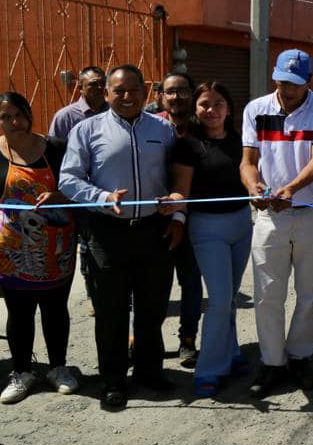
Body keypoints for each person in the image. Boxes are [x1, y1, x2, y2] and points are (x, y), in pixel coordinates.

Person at [59, 64, 185, 410]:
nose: (127, 97)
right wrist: (103, 198)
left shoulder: (163, 129)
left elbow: (178, 179)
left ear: (145, 92)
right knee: (111, 312)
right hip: (106, 233)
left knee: (152, 308)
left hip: (152, 231)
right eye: (119, 91)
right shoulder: (87, 130)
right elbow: (69, 180)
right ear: (107, 93)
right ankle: (113, 380)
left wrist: (176, 215)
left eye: (133, 90)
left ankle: (149, 371)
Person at [241, 49, 313, 398]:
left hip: (311, 210)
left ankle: (300, 357)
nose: (287, 89)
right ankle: (271, 362)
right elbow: (248, 162)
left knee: (309, 292)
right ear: (274, 76)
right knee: (268, 293)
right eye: (282, 81)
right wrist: (253, 186)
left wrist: (292, 190)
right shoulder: (256, 108)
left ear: (308, 82)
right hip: (269, 213)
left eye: (295, 84)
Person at [168, 82, 252, 397]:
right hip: (206, 228)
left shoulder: (242, 141)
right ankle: (209, 367)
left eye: (218, 103)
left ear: (229, 108)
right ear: (196, 109)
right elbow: (182, 190)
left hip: (242, 224)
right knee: (218, 300)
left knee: (228, 297)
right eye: (204, 104)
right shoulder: (187, 145)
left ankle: (230, 353)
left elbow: (253, 176)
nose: (211, 110)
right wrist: (173, 204)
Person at [0, 92, 78, 404]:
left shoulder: (56, 148)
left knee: (55, 308)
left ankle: (58, 367)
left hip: (56, 246)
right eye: (5, 117)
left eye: (18, 114)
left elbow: (77, 185)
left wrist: (61, 196)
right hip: (11, 252)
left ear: (30, 115)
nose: (13, 122)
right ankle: (22, 372)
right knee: (19, 312)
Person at [48, 66, 106, 311]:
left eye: (101, 83)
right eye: (91, 83)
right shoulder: (66, 117)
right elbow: (54, 155)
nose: (97, 87)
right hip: (78, 195)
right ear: (80, 87)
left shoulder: (114, 113)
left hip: (107, 193)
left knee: (104, 244)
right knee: (85, 247)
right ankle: (94, 294)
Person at [156, 72, 203, 368]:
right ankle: (142, 340)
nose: (177, 97)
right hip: (154, 219)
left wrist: (182, 217)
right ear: (161, 96)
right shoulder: (152, 127)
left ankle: (188, 340)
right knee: (151, 285)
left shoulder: (203, 129)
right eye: (170, 92)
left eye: (183, 91)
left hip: (196, 219)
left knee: (191, 282)